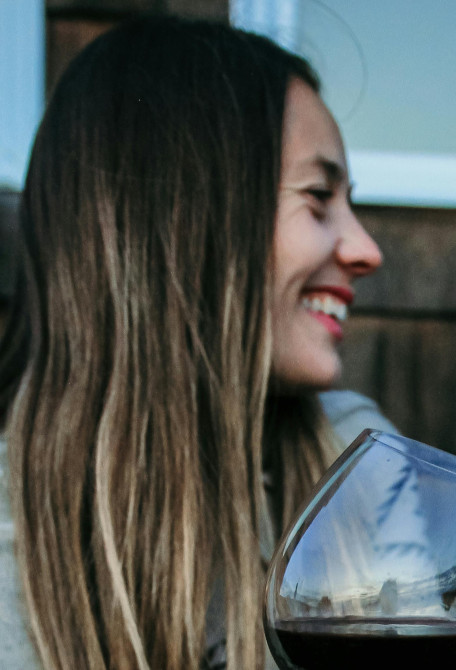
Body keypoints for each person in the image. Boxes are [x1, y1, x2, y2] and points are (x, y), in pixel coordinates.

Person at [0, 16, 384, 669]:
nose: (367, 250)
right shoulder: (16, 541)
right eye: (319, 199)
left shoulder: (353, 458)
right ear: (186, 222)